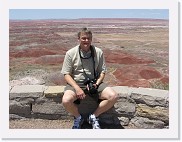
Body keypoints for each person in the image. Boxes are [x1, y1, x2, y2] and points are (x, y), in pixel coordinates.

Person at [61, 27, 118, 129]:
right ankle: (78, 118)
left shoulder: (98, 52)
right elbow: (66, 74)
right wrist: (77, 88)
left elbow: (102, 71)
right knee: (66, 100)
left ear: (91, 39)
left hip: (95, 83)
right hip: (76, 83)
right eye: (83, 38)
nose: (86, 41)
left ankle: (93, 116)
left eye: (88, 38)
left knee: (113, 96)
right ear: (78, 39)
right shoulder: (70, 53)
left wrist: (96, 84)